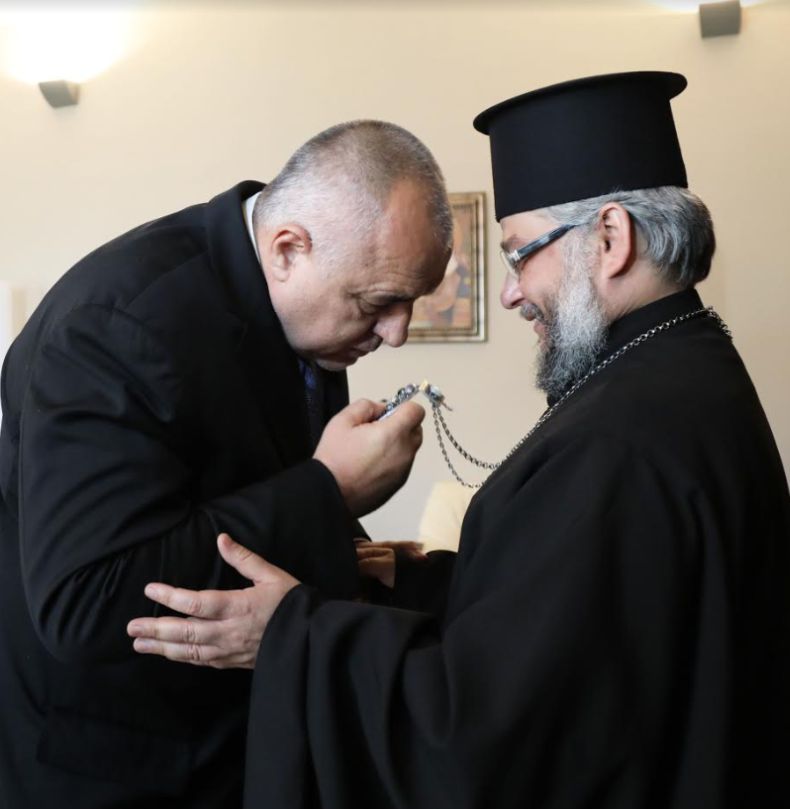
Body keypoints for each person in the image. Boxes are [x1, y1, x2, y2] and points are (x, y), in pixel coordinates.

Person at [127, 73, 790, 809]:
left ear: (610, 238)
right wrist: (412, 582)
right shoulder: (682, 372)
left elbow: (492, 736)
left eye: (520, 253)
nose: (511, 292)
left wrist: (292, 634)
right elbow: (581, 617)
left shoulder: (622, 438)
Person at [0, 120, 452, 808]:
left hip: (232, 745)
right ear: (288, 249)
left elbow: (231, 483)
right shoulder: (113, 325)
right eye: (378, 303)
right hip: (113, 766)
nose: (397, 333)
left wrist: (345, 550)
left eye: (412, 302)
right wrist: (329, 492)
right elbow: (84, 599)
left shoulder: (306, 316)